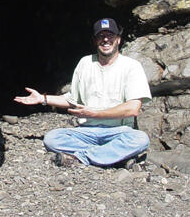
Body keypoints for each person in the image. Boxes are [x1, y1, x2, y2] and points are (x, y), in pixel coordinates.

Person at [13, 18, 151, 167]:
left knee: (141, 139)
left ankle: (81, 157)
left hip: (119, 131)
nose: (105, 40)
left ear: (118, 39)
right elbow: (72, 99)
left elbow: (133, 108)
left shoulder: (131, 66)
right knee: (52, 138)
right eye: (101, 36)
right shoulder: (85, 63)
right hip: (87, 132)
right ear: (95, 40)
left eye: (110, 35)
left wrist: (95, 114)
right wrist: (43, 98)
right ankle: (112, 157)